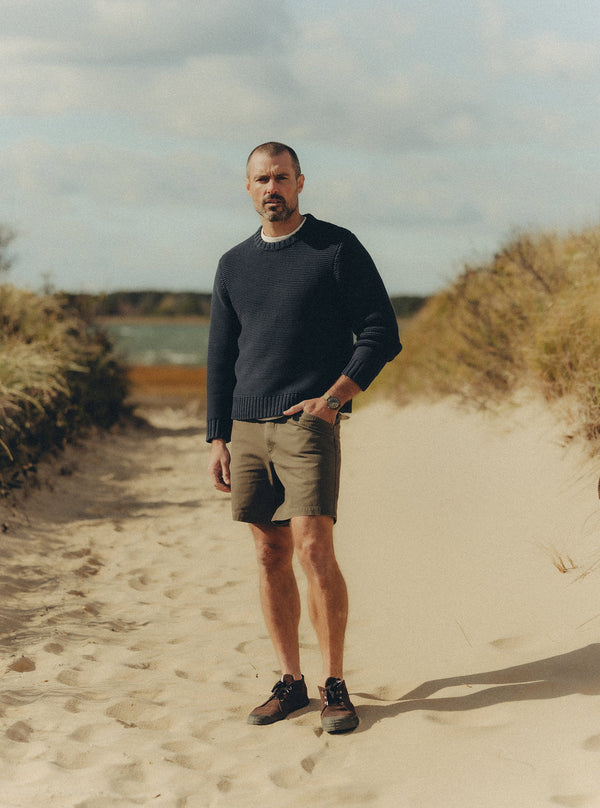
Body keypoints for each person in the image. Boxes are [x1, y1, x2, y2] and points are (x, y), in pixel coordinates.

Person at [206, 142, 401, 733]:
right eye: (261, 179)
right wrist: (217, 436)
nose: (272, 188)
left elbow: (381, 332)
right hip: (245, 427)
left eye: (282, 178)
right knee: (269, 554)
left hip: (307, 424)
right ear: (247, 188)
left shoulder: (336, 247)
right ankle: (290, 681)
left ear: (300, 182)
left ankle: (334, 683)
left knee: (315, 549)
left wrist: (335, 397)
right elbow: (220, 356)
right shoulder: (233, 264)